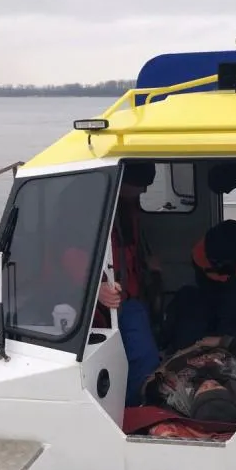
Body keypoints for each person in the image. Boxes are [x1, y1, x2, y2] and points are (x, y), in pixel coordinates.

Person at [61, 162, 162, 407]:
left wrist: (147, 262)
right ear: (123, 181)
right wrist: (96, 290)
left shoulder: (125, 204)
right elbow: (68, 252)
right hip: (102, 304)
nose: (143, 191)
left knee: (143, 357)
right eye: (140, 186)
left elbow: (129, 246)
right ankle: (125, 408)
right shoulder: (89, 208)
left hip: (130, 295)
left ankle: (134, 407)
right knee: (120, 361)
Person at [166, 220, 236, 357]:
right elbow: (208, 293)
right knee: (211, 305)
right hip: (215, 287)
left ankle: (235, 346)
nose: (220, 266)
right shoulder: (200, 254)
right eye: (216, 263)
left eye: (224, 264)